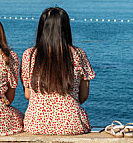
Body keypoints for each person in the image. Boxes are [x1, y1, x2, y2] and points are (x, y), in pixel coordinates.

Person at [21, 7, 95, 135]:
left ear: (42, 28)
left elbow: (28, 95)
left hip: (36, 123)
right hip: (72, 124)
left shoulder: (29, 55)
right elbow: (83, 95)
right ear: (66, 28)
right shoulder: (78, 54)